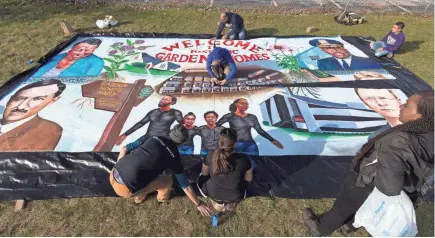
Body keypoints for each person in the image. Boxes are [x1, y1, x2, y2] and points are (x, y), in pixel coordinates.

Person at [302, 90, 434, 237]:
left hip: (367, 185)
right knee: (362, 207)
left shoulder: (399, 141)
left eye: (408, 105)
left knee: (342, 208)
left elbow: (389, 187)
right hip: (410, 189)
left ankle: (320, 228)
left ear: (421, 115)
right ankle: (349, 226)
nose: (402, 105)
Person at [111, 124, 211, 216]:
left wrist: (118, 166)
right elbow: (185, 186)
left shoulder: (153, 137)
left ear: (170, 132)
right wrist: (198, 204)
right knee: (168, 180)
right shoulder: (174, 156)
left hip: (113, 173)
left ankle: (138, 192)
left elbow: (124, 149)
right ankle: (153, 198)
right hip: (124, 189)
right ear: (182, 142)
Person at [0, 79, 65, 151]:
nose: (20, 107)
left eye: (37, 99)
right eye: (19, 99)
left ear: (51, 101)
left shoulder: (48, 129)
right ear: (10, 99)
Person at [197, 128, 253, 212]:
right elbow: (248, 179)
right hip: (235, 196)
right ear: (235, 144)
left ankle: (217, 203)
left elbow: (204, 173)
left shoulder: (211, 154)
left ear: (219, 142)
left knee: (201, 177)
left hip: (213, 193)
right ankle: (229, 204)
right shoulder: (243, 159)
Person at [217, 98, 283, 155]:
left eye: (247, 104)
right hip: (235, 144)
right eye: (242, 103)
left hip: (250, 144)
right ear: (236, 104)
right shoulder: (229, 116)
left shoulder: (252, 117)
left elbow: (260, 130)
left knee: (255, 163)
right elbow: (217, 125)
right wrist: (227, 132)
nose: (245, 105)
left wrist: (272, 140)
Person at [116, 95, 183, 145]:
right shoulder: (153, 112)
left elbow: (183, 125)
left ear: (172, 102)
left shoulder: (175, 112)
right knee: (126, 149)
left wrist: (172, 134)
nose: (162, 100)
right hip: (147, 137)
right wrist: (125, 134)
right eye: (162, 99)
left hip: (162, 140)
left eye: (166, 99)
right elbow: (141, 123)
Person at [32, 39, 104, 78]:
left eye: (88, 51)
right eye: (80, 49)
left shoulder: (96, 62)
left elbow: (87, 80)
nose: (82, 53)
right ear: (72, 48)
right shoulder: (59, 56)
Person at [309, 39, 382, 71]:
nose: (332, 50)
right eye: (326, 49)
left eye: (335, 47)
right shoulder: (323, 63)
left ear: (343, 46)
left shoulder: (367, 60)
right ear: (323, 50)